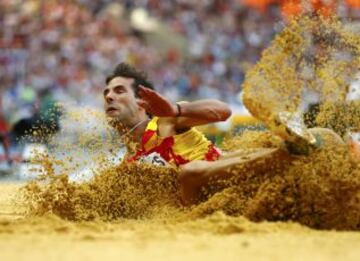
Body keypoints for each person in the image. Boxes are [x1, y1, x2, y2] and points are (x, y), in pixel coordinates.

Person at [104, 63, 348, 205]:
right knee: (187, 175)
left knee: (328, 137)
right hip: (210, 206)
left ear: (141, 100)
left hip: (243, 178)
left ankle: (292, 151)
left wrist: (177, 109)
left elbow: (222, 112)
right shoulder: (129, 167)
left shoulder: (164, 121)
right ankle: (292, 150)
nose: (109, 96)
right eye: (106, 93)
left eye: (118, 90)